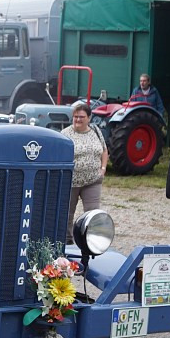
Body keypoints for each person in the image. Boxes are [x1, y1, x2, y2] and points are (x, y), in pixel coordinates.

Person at [62, 101, 108, 241]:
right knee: (67, 214)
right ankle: (66, 241)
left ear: (89, 118)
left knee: (92, 214)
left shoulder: (96, 131)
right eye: (75, 116)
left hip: (93, 180)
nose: (78, 119)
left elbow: (104, 150)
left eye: (81, 117)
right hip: (71, 181)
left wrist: (103, 168)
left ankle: (91, 242)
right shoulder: (65, 134)